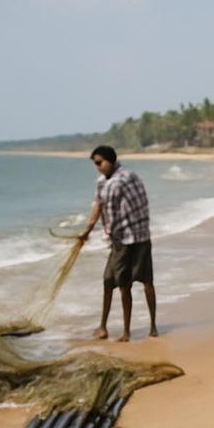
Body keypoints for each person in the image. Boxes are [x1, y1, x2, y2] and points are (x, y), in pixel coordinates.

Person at [79, 144, 157, 341]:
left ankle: (126, 332)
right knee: (130, 281)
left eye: (99, 163)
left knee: (123, 284)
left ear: (110, 160)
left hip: (126, 239)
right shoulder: (126, 176)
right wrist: (87, 230)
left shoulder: (116, 183)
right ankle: (149, 328)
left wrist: (107, 235)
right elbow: (98, 203)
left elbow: (110, 213)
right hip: (141, 235)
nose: (98, 167)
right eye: (95, 164)